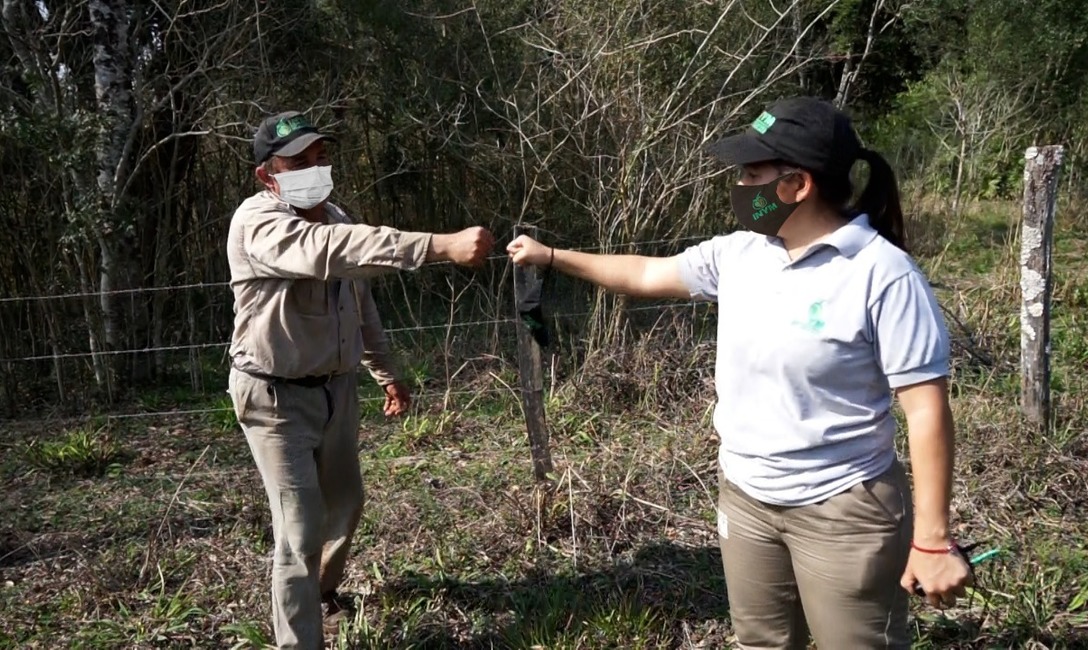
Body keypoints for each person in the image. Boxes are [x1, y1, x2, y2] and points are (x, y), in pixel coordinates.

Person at [507, 96, 972, 649]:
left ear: (798, 185)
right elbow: (646, 273)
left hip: (845, 508)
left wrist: (933, 538)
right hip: (746, 496)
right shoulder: (741, 253)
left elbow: (926, 411)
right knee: (760, 643)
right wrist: (552, 256)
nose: (740, 186)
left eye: (753, 173)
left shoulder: (882, 274)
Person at [226, 110, 494, 650]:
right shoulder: (258, 222)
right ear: (267, 174)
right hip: (275, 396)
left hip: (336, 390)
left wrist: (386, 373)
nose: (314, 167)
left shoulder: (335, 214)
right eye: (298, 161)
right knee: (298, 532)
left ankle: (321, 591)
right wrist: (437, 246)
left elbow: (359, 302)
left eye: (319, 157)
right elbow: (328, 254)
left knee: (346, 501)